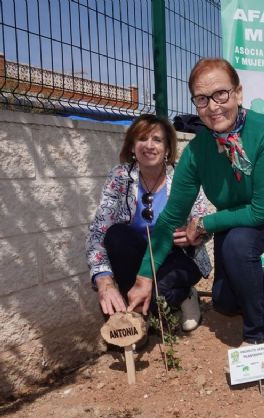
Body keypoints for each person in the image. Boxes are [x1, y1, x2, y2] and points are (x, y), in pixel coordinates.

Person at [127, 58, 264, 344]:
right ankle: (251, 288)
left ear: (238, 93)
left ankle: (258, 334)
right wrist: (144, 278)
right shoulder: (196, 153)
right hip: (236, 219)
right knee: (224, 302)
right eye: (202, 99)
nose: (213, 106)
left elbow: (259, 211)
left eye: (221, 94)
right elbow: (170, 218)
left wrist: (205, 223)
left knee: (238, 242)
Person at [86, 114, 211, 332]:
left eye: (157, 139)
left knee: (156, 295)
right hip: (139, 260)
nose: (149, 145)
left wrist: (194, 232)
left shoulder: (183, 175)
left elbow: (202, 218)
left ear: (168, 148)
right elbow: (98, 232)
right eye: (142, 138)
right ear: (132, 146)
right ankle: (136, 319)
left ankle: (185, 294)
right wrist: (104, 281)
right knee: (115, 235)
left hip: (177, 257)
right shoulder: (120, 177)